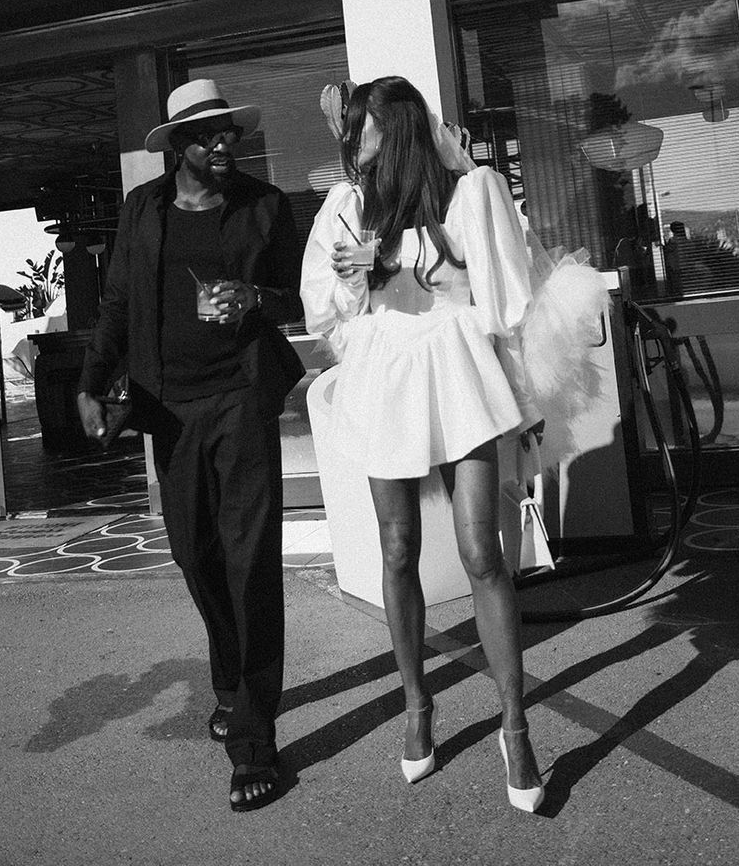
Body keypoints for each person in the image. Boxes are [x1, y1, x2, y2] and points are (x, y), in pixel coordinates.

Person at [301, 76, 546, 812]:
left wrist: (468, 169)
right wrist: (356, 288)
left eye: (368, 128)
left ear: (399, 129)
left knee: (481, 551)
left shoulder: (467, 196)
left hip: (458, 365)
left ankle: (514, 722)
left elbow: (507, 295)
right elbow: (323, 306)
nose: (357, 142)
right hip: (390, 373)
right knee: (398, 547)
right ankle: (417, 707)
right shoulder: (348, 206)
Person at [77, 78, 305, 813]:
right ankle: (233, 684)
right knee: (195, 554)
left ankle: (254, 739)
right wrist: (91, 380)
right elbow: (116, 301)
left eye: (228, 133)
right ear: (177, 144)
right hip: (167, 409)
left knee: (248, 560)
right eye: (208, 136)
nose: (223, 145)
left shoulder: (265, 206)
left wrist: (254, 300)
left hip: (239, 399)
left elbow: (299, 296)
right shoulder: (142, 210)